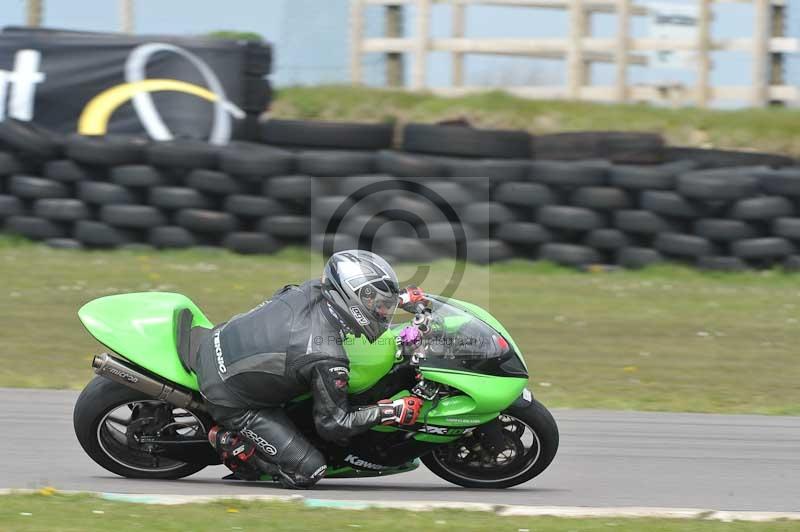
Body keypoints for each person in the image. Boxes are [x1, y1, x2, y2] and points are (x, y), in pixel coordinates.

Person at [191, 250, 424, 488]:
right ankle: (232, 444)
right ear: (351, 298)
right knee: (309, 471)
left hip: (220, 339)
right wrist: (390, 411)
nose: (382, 311)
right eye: (376, 303)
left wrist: (400, 299)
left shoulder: (315, 290)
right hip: (229, 395)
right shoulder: (327, 356)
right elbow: (334, 424)